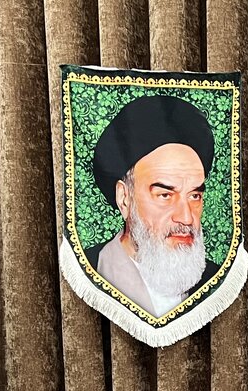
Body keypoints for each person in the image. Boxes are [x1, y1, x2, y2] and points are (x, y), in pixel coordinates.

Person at [86, 95, 221, 316]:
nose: (186, 217)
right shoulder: (90, 272)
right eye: (165, 195)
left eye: (195, 196)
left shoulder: (217, 282)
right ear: (124, 198)